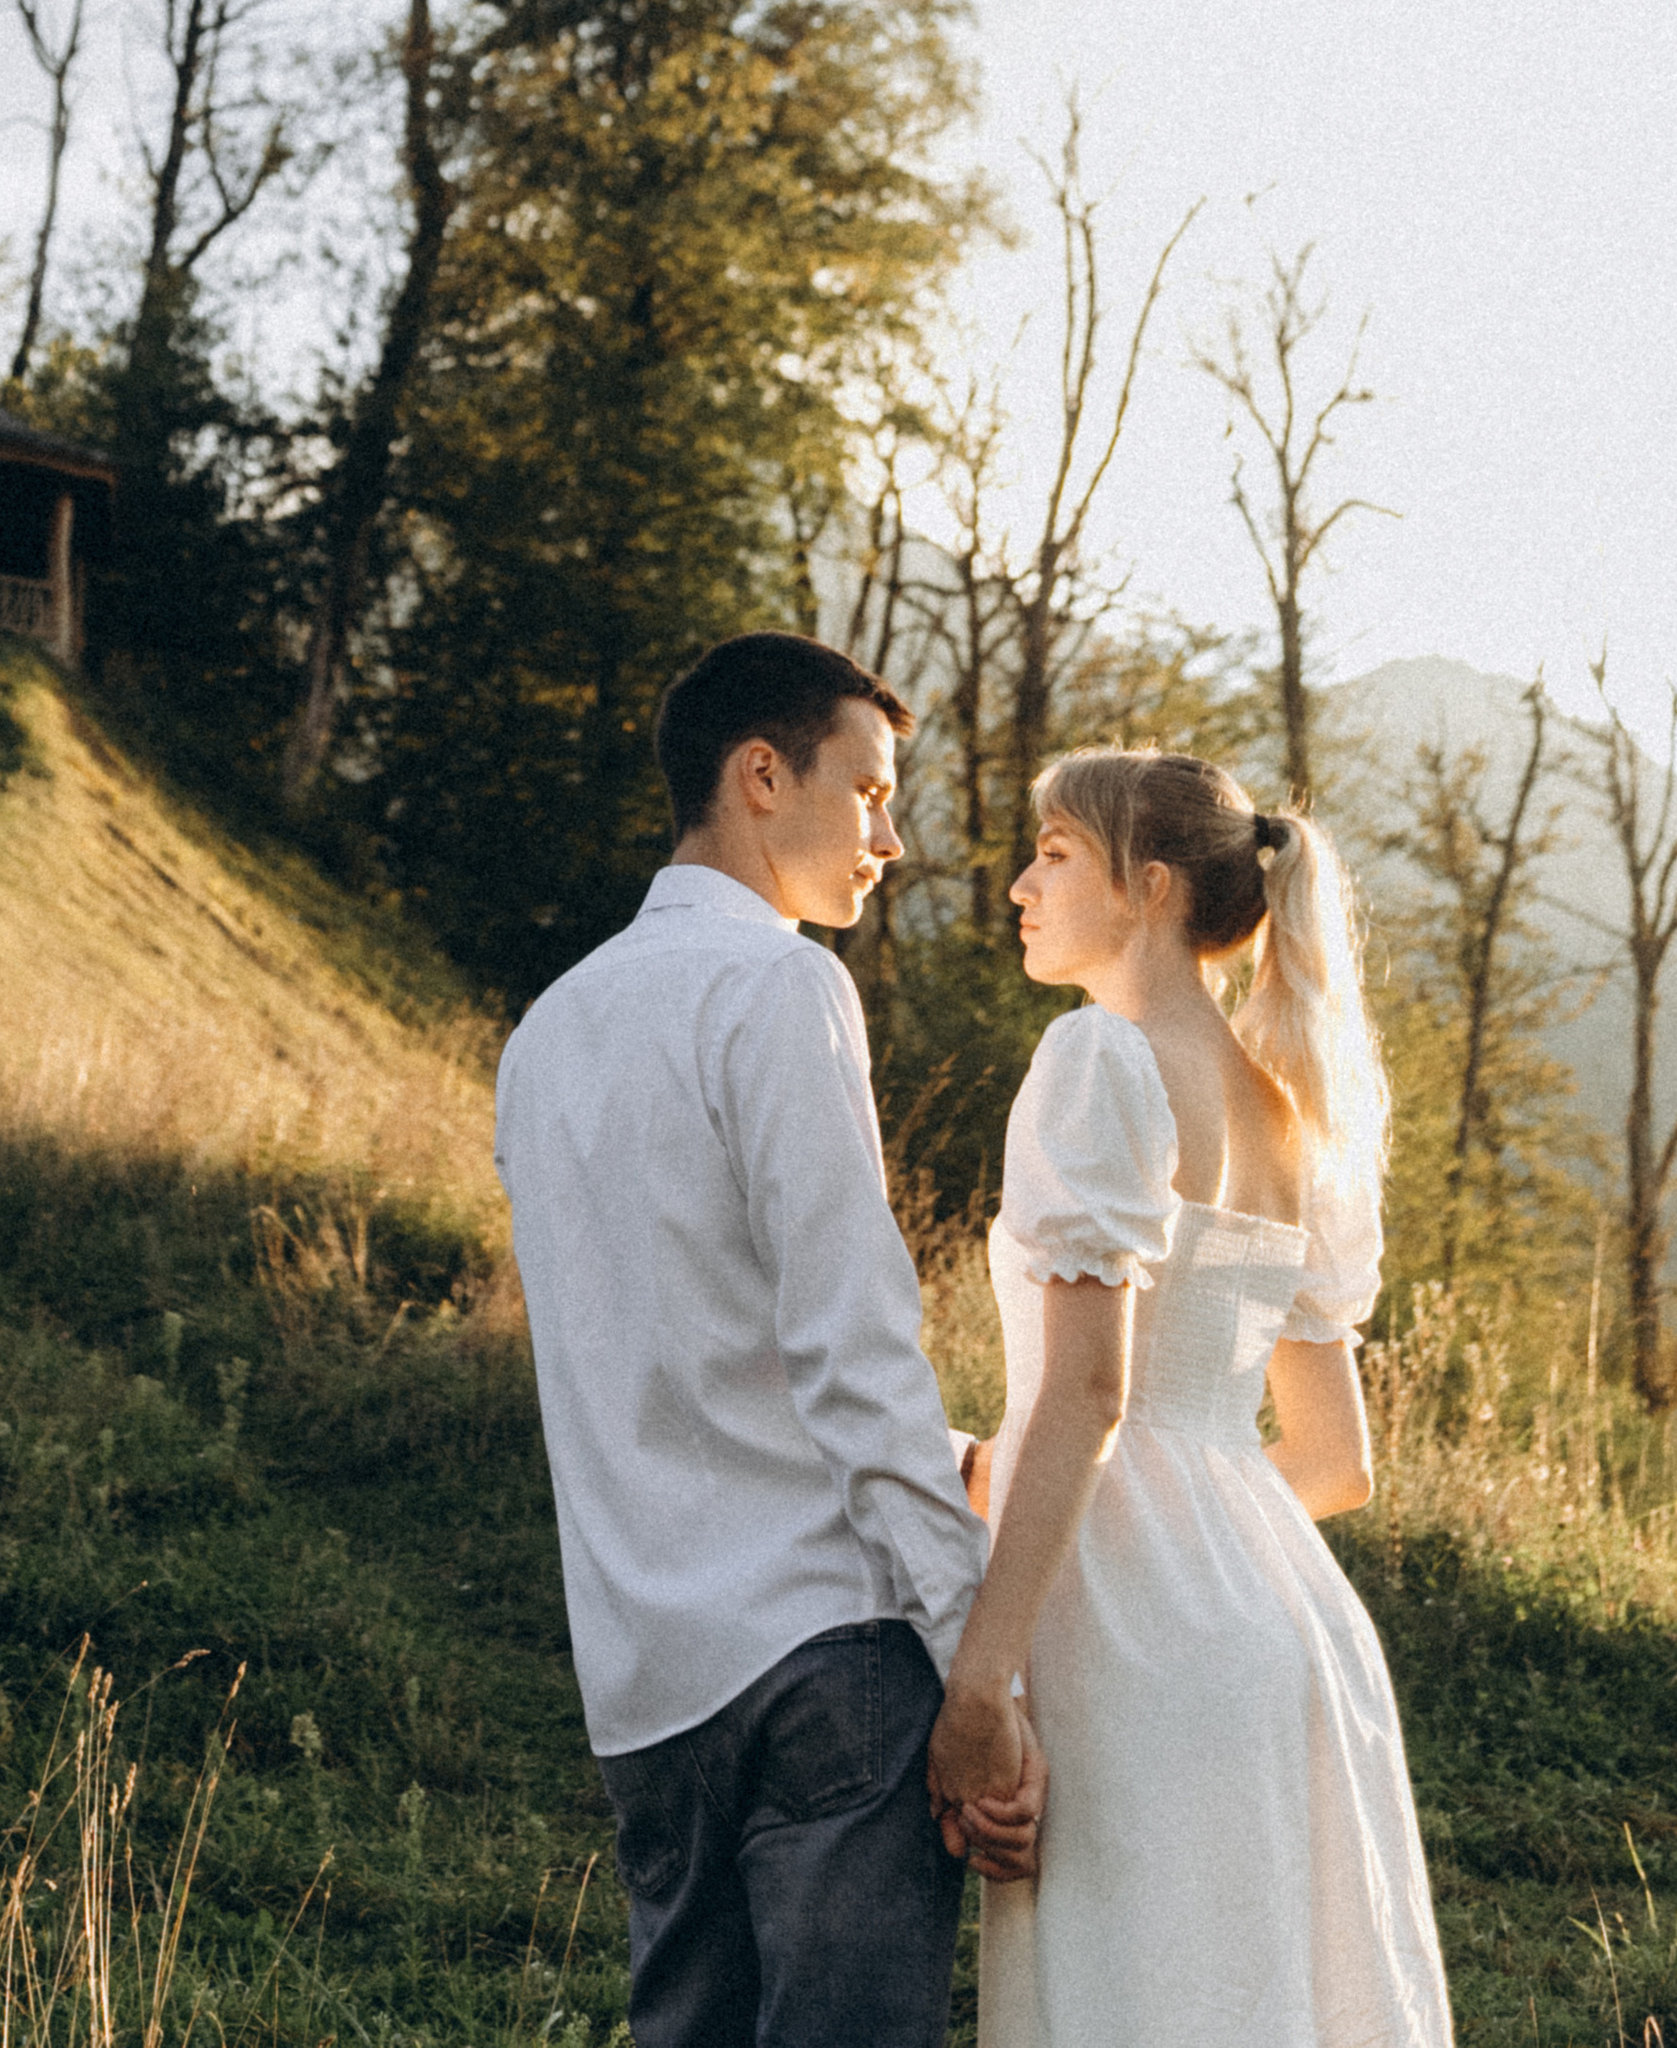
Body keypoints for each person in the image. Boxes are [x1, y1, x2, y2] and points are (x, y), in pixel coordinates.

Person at [494, 632, 1042, 2048]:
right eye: (865, 792)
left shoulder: (544, 1035)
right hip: (823, 1660)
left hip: (645, 1684)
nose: (891, 838)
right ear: (759, 776)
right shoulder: (779, 989)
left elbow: (637, 1361)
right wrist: (978, 1655)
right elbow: (853, 1355)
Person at [943, 748, 1453, 2048]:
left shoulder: (1099, 1062)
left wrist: (981, 1682)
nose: (1019, 885)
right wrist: (1190, 1521)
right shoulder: (1298, 1124)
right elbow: (1336, 1464)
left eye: (1054, 854)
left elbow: (1092, 1395)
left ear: (1151, 886)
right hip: (1289, 1634)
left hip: (1129, 1641)